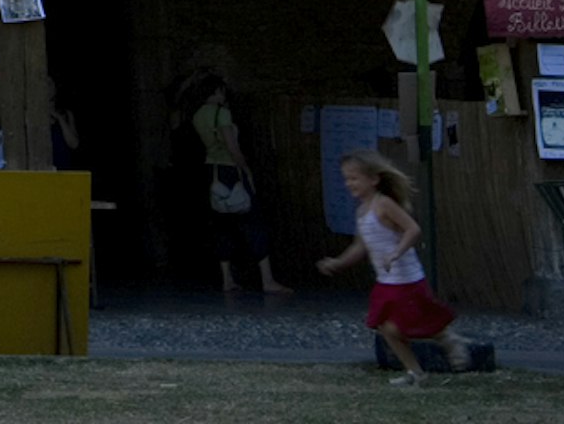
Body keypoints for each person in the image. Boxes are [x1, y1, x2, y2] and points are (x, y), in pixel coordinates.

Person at [318, 151, 456, 382]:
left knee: (401, 326)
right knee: (385, 327)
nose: (349, 183)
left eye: (354, 178)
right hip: (386, 280)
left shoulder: (384, 204)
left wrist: (396, 252)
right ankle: (415, 371)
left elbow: (413, 229)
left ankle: (447, 339)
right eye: (346, 178)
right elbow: (360, 246)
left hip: (406, 278)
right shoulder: (361, 211)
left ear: (373, 179)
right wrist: (337, 262)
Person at [186, 72, 292, 297]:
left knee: (221, 223)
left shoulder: (197, 115)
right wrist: (246, 169)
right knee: (253, 221)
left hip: (212, 171)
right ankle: (267, 279)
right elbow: (232, 146)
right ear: (217, 91)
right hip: (230, 170)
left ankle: (227, 279)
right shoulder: (222, 113)